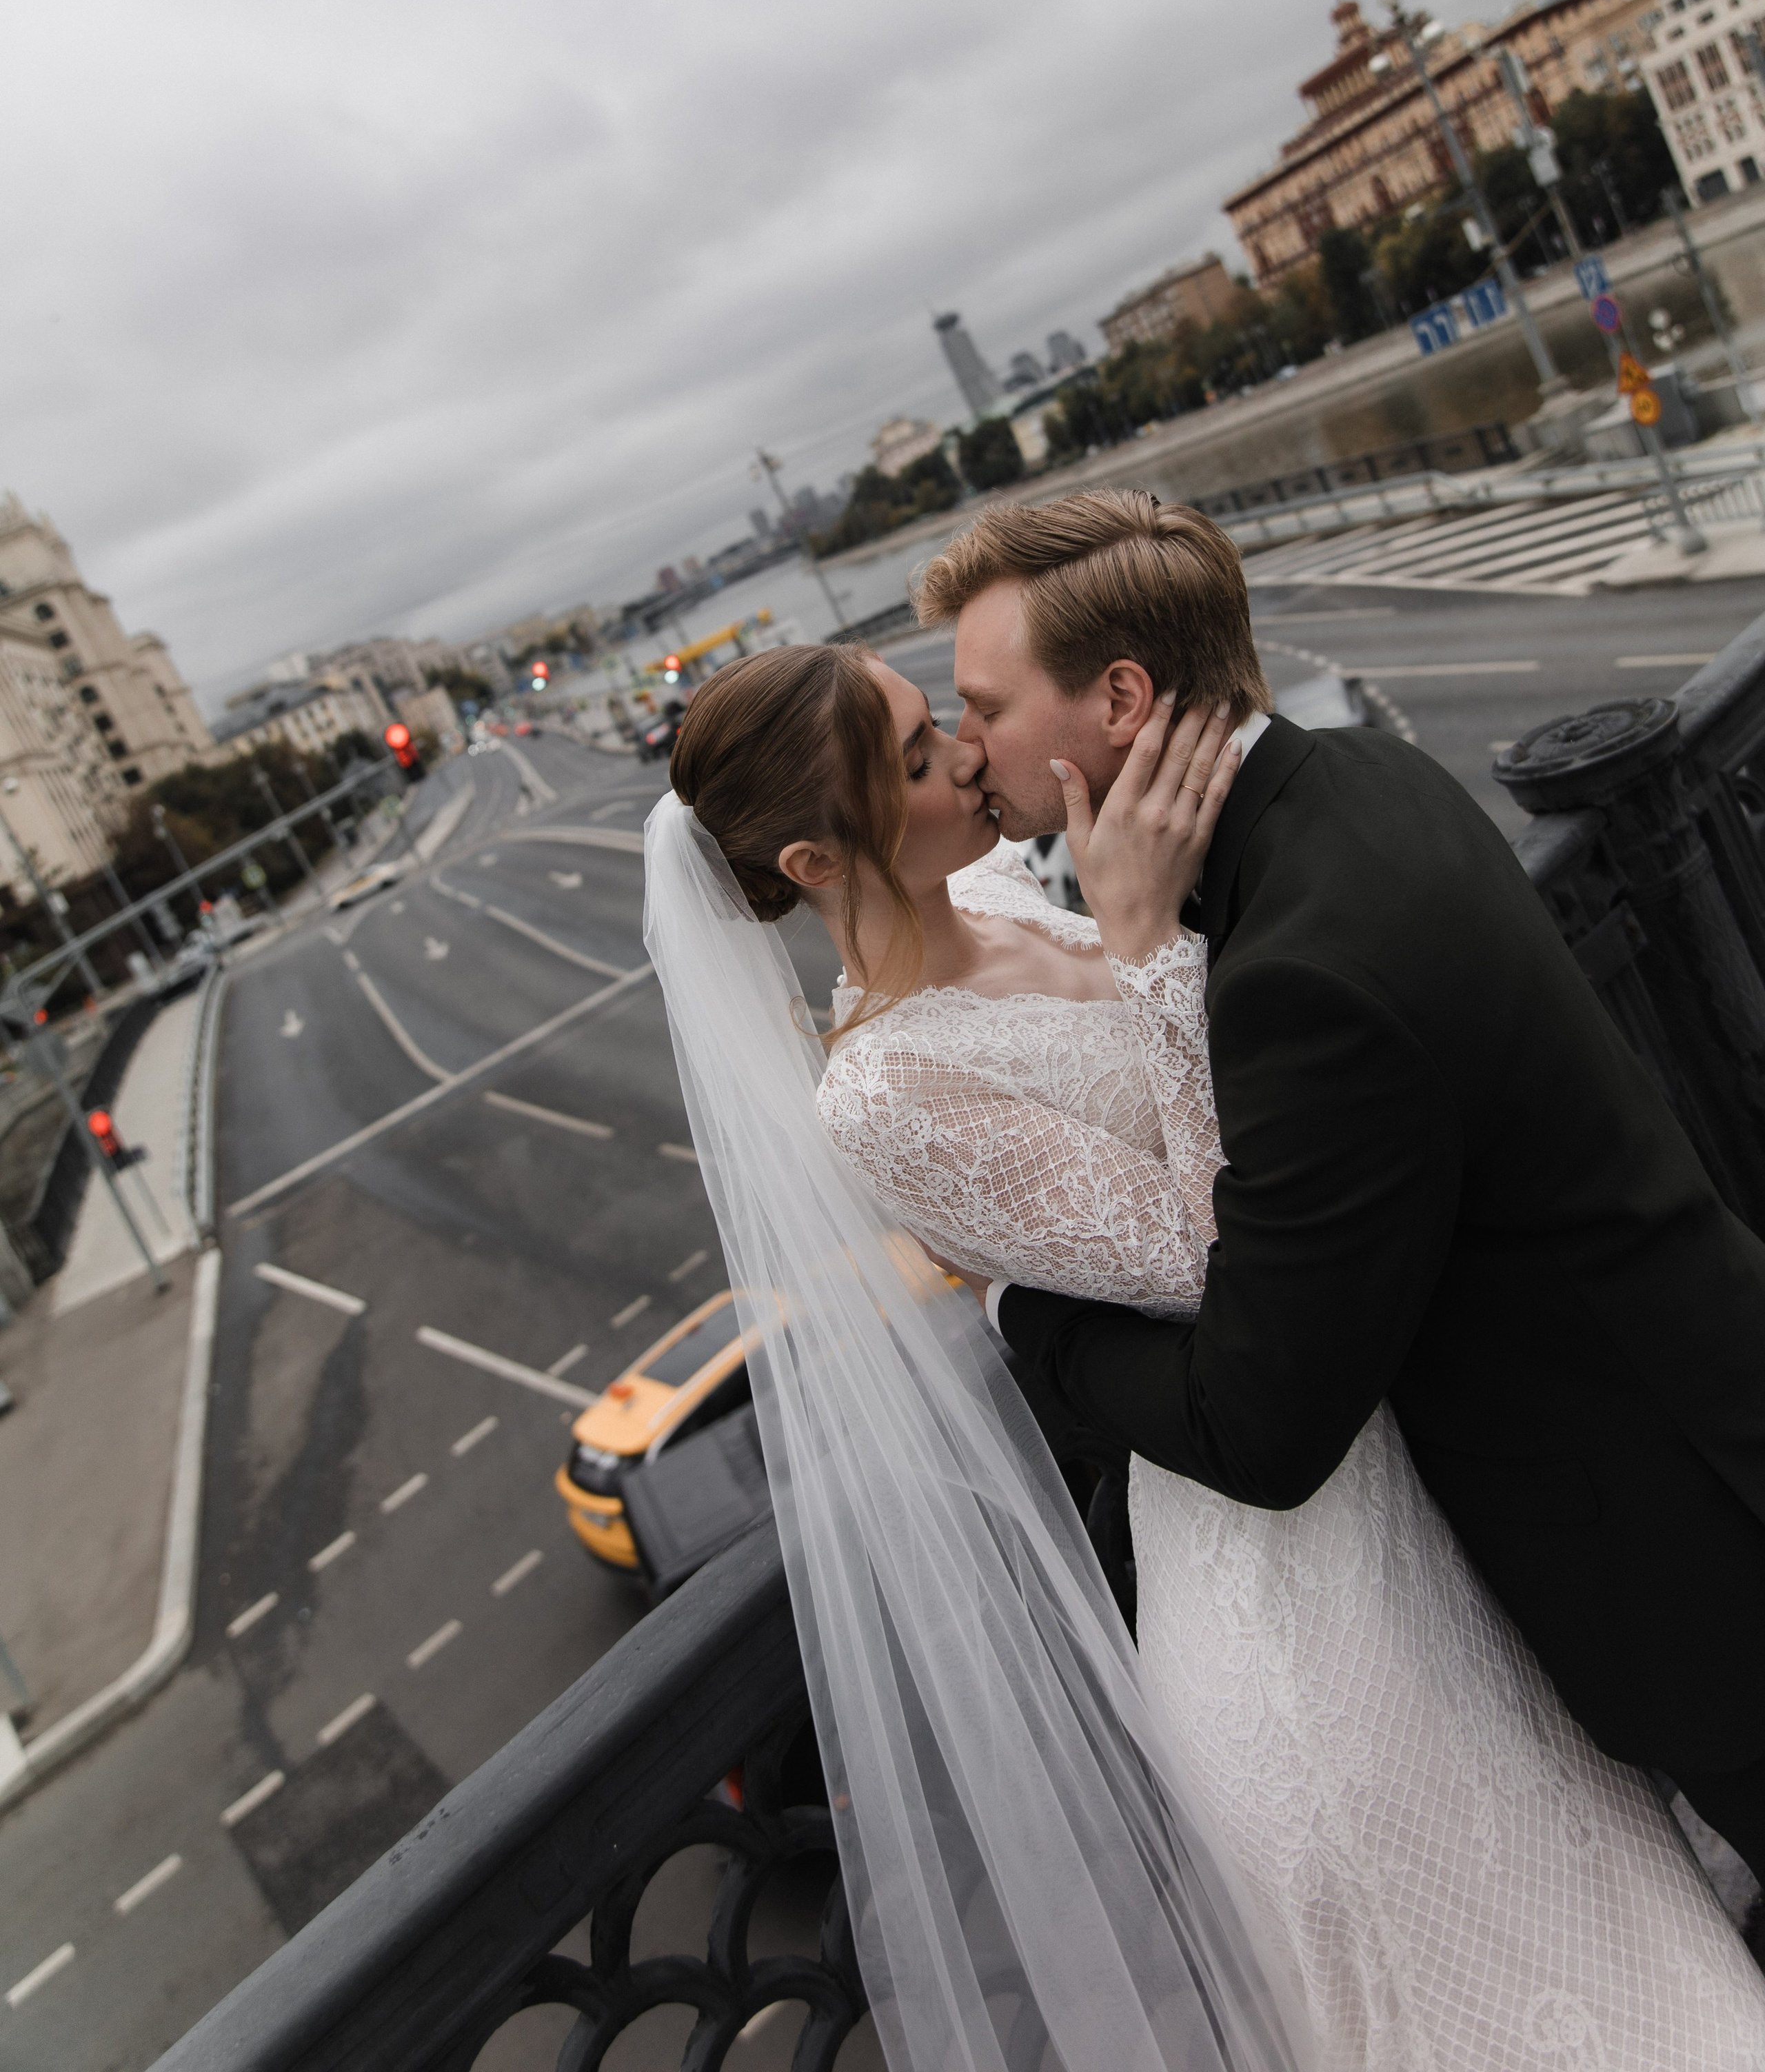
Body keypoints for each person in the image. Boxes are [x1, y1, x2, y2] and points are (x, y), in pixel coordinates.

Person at [652, 601, 1765, 2070]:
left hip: (1403, 1467)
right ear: (813, 864)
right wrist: (1145, 944)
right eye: (920, 758)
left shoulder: (1010, 902)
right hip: (1309, 1597)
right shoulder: (881, 1094)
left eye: (946, 718)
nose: (969, 758)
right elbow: (1202, 1256)